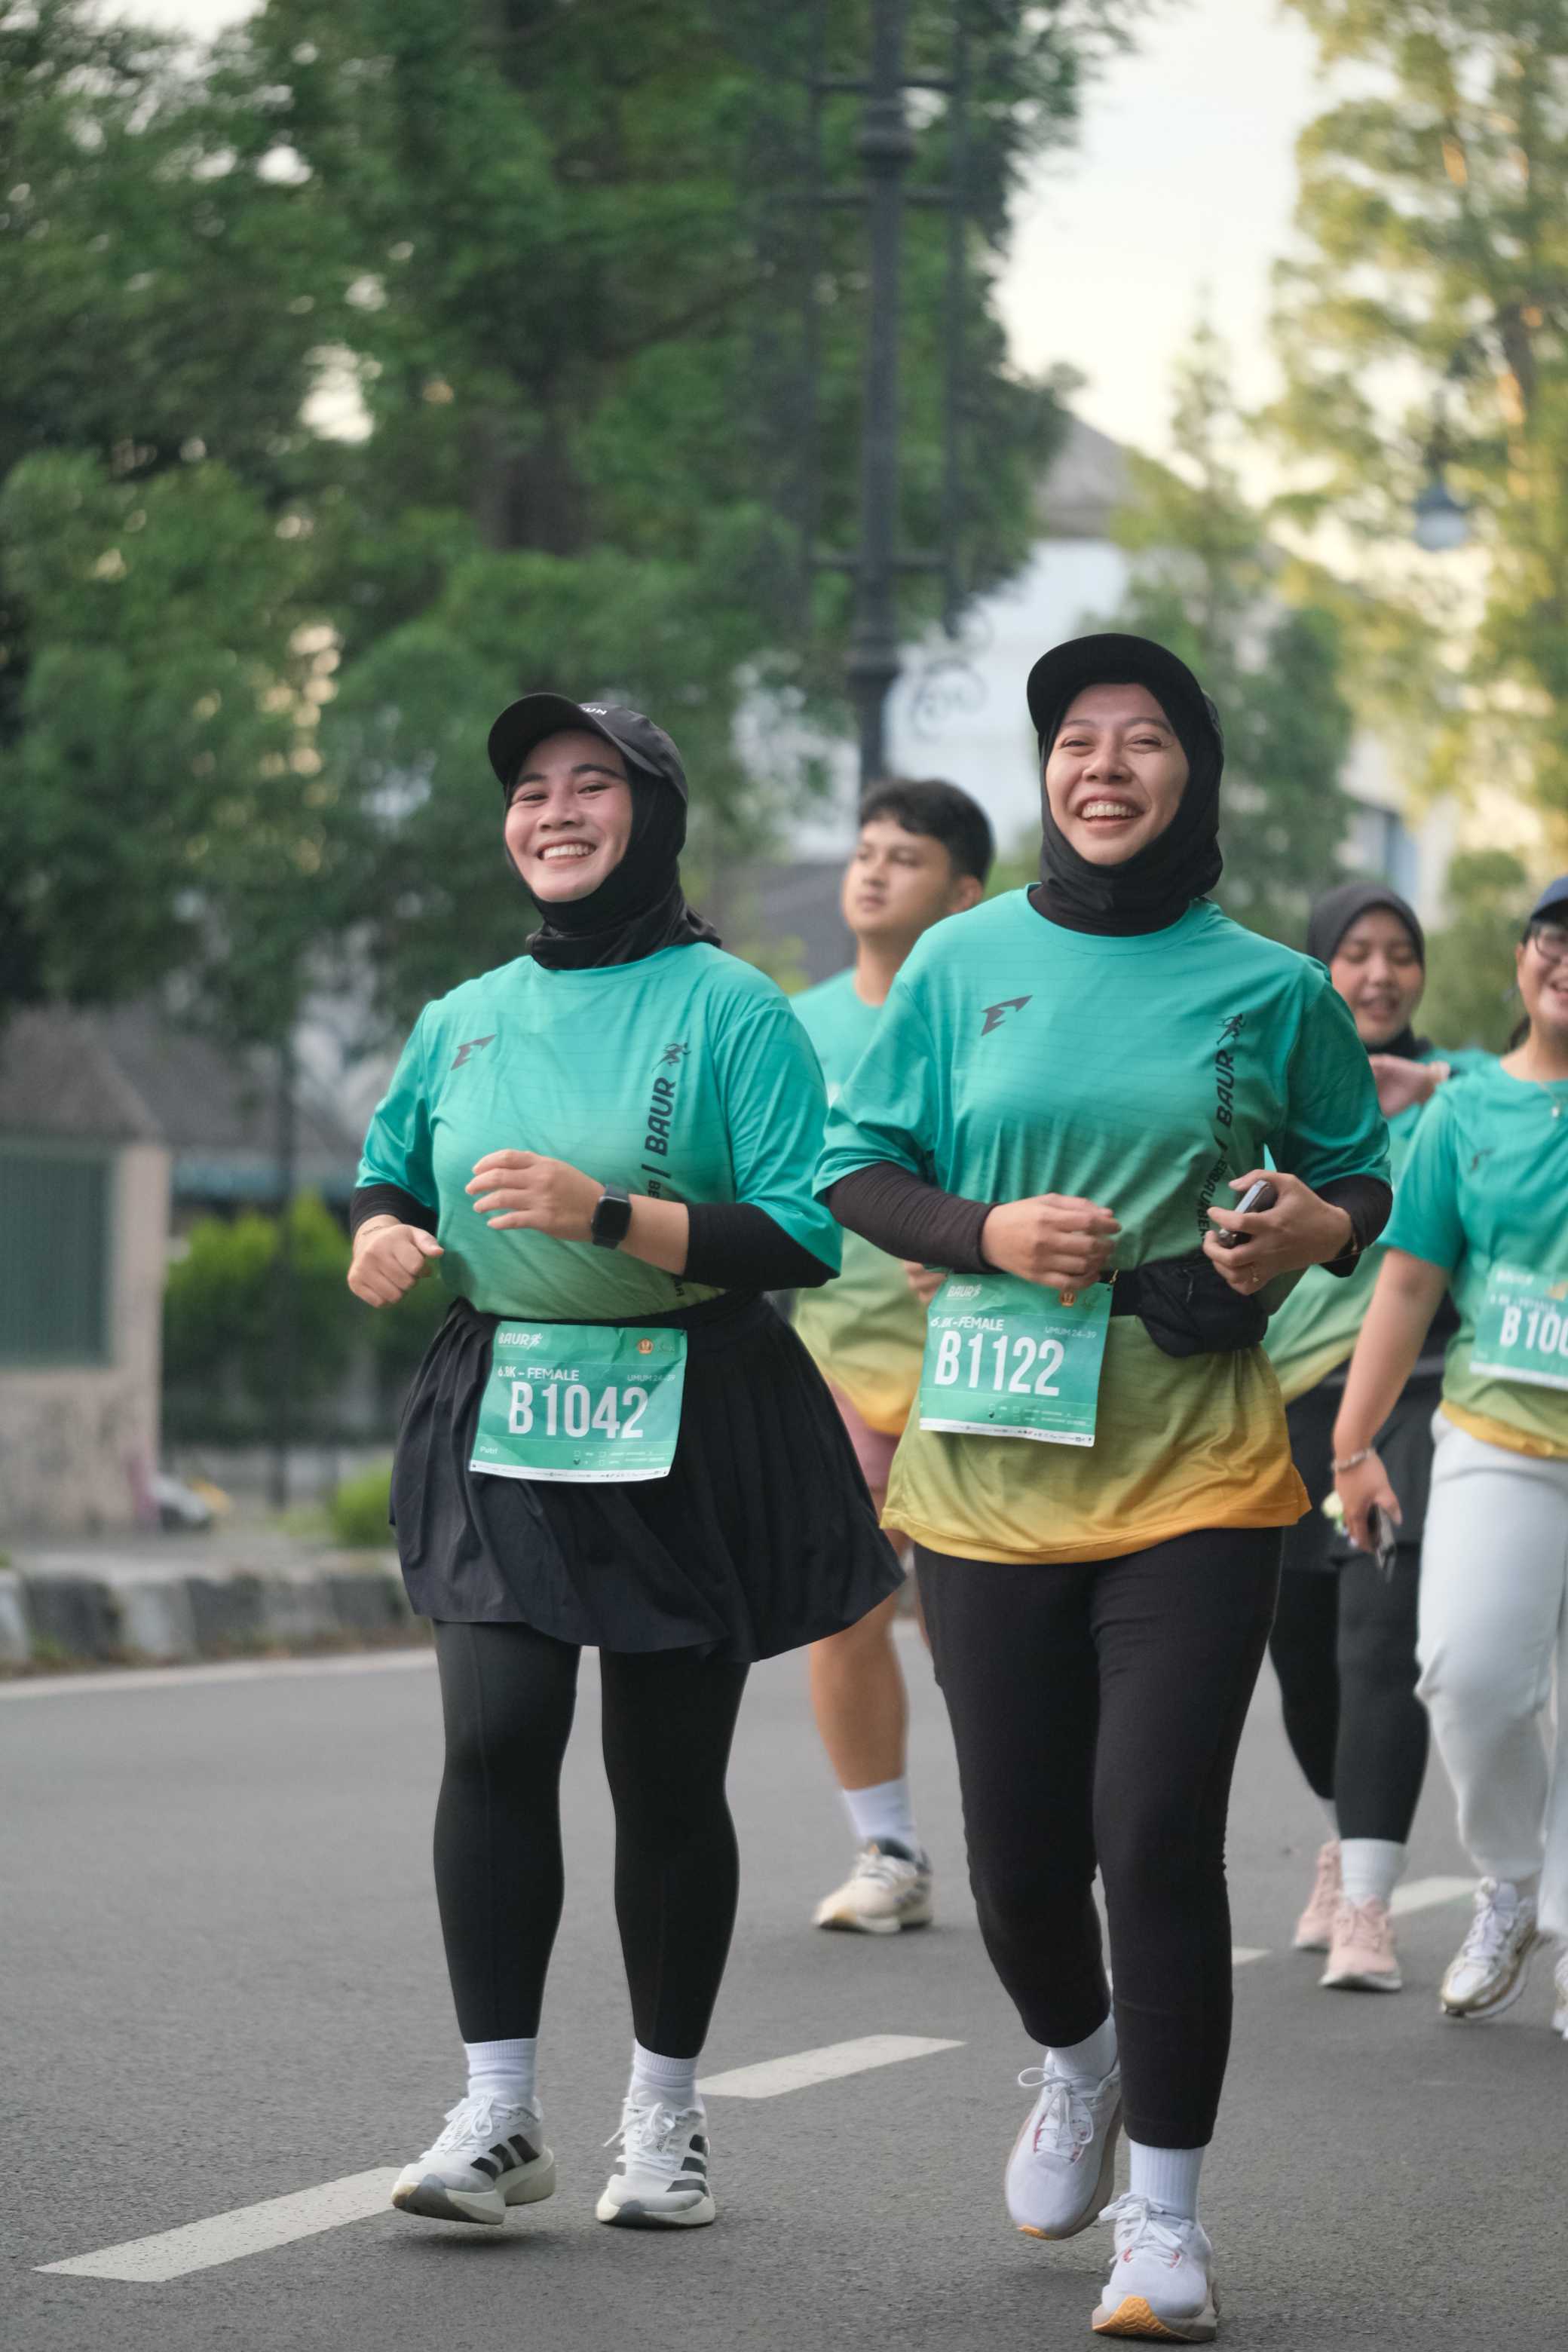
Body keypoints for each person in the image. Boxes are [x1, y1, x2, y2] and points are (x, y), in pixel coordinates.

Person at [817, 634, 1390, 2344]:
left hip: (1196, 1463)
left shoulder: (1271, 985)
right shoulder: (959, 960)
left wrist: (1314, 1228)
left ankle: (1168, 2220)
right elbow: (855, 1166)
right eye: (1077, 738)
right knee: (1016, 1863)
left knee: (1151, 1834)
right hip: (988, 1464)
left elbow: (1354, 1176)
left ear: (1191, 774)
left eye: (1144, 739)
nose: (1106, 765)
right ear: (1047, 770)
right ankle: (1077, 2067)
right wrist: (986, 1231)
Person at [348, 695, 900, 2235]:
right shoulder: (462, 1014)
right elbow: (388, 1174)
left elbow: (800, 1229)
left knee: (661, 1777)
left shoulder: (731, 1007)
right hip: (503, 1397)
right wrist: (381, 1237)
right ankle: (498, 2112)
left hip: (686, 1400)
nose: (556, 812)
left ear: (650, 816)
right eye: (530, 789)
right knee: (494, 1737)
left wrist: (607, 1214)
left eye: (591, 784)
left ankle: (664, 2115)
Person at [1334, 874, 1568, 2040]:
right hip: (1497, 1438)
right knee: (1465, 1678)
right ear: (1523, 959)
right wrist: (1353, 1443)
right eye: (1553, 937)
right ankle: (1512, 1882)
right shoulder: (1465, 1111)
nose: (1567, 958)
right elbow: (1410, 1281)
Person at [1263, 884, 1490, 1992]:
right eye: (1355, 953)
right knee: (1300, 1655)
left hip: (1412, 1392)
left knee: (1377, 1637)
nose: (1380, 974)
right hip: (1279, 1402)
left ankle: (1366, 1901)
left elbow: (1541, 1095)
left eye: (1401, 953)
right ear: (1320, 969)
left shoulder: (1468, 1087)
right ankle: (1341, 1834)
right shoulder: (1270, 1085)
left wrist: (1435, 1085)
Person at [795, 777, 993, 1936]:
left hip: (988, 1368)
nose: (872, 870)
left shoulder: (995, 1024)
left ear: (964, 895)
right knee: (844, 1611)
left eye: (903, 857)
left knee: (984, 1635)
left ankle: (1033, 1842)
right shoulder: (794, 1028)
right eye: (864, 850)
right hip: (838, 1362)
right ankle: (890, 1849)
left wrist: (973, 1240)